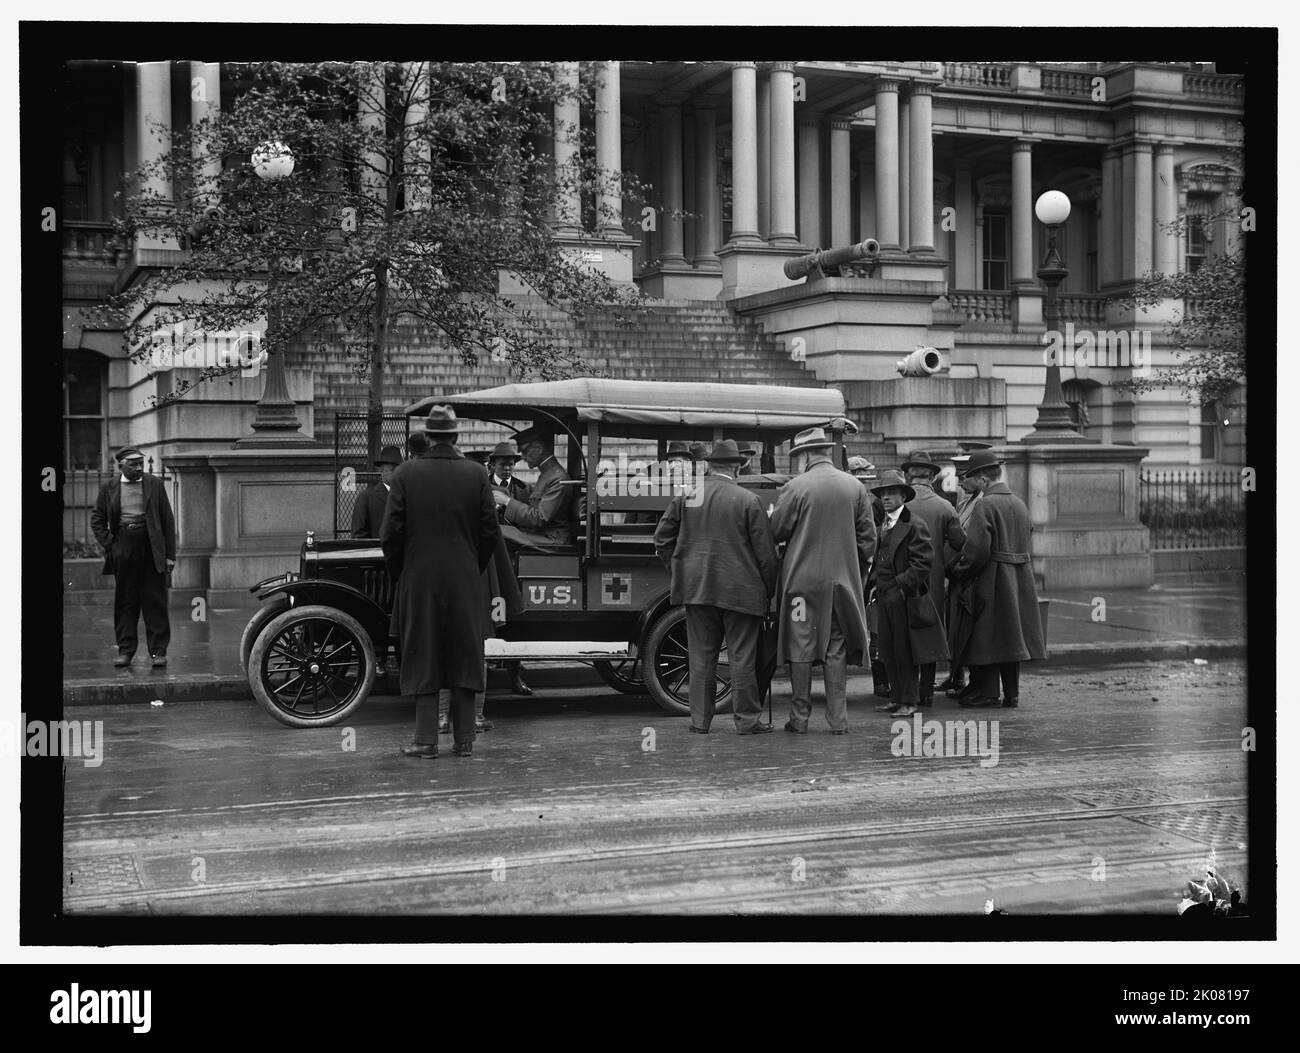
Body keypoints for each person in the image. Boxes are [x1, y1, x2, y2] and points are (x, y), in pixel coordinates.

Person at [381, 405, 500, 758]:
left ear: (429, 437)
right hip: (464, 577)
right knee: (465, 654)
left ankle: (425, 740)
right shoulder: (476, 474)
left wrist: (404, 572)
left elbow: (390, 535)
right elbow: (490, 533)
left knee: (424, 652)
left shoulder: (405, 474)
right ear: (456, 437)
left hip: (420, 577)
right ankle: (464, 740)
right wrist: (470, 565)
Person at [654, 439, 779, 735]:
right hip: (741, 592)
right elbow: (766, 556)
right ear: (738, 466)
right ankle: (747, 721)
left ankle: (700, 721)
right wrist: (769, 591)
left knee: (700, 658)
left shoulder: (688, 495)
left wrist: (679, 570)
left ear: (709, 465)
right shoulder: (749, 500)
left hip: (697, 590)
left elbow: (662, 539)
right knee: (741, 658)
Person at [770, 427, 875, 735]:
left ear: (803, 455)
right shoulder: (854, 487)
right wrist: (854, 569)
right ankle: (838, 719)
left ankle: (799, 718)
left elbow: (777, 530)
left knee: (800, 646)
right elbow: (868, 540)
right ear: (828, 452)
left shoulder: (796, 487)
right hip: (840, 583)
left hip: (801, 584)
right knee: (835, 647)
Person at [950, 450, 1047, 709]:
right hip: (1020, 577)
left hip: (993, 577)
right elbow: (1028, 533)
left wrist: (960, 571)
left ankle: (989, 694)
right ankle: (1012, 694)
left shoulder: (985, 504)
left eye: (969, 477)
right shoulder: (1019, 502)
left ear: (983, 479)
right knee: (1012, 638)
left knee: (989, 635)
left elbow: (977, 550)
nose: (965, 482)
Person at [870, 469, 949, 718]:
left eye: (892, 493)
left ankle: (910, 700)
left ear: (903, 496)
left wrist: (900, 586)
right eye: (883, 493)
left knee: (904, 650)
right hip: (884, 596)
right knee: (888, 649)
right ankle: (897, 697)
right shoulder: (884, 523)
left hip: (903, 598)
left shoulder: (914, 524)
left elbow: (924, 562)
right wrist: (875, 584)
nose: (886, 498)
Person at [91, 446, 176, 668]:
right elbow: (97, 518)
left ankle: (158, 652)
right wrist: (111, 544)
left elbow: (167, 520)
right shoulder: (109, 487)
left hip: (151, 546)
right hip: (124, 547)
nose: (139, 467)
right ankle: (125, 651)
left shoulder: (154, 484)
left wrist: (170, 556)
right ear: (121, 466)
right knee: (126, 601)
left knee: (154, 600)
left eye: (141, 463)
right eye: (133, 464)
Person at [902, 451, 966, 706]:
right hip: (934, 581)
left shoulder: (899, 506)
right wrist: (943, 563)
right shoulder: (945, 507)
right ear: (931, 476)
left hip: (902, 579)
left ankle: (907, 692)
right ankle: (926, 690)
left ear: (908, 475)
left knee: (903, 633)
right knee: (929, 632)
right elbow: (960, 542)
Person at [484, 439, 533, 696]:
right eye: (503, 464)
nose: (507, 468)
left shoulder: (522, 490)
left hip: (515, 560)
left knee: (514, 618)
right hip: (491, 560)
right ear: (492, 464)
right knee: (489, 614)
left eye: (511, 464)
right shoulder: (482, 487)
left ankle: (515, 675)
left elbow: (530, 519)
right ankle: (486, 670)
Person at [848, 456, 890, 699]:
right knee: (876, 630)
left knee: (876, 630)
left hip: (869, 574)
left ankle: (881, 682)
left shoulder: (869, 503)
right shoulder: (865, 502)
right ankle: (881, 682)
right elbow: (868, 540)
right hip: (864, 572)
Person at [496, 425, 576, 549]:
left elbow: (540, 518)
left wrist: (507, 501)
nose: (522, 457)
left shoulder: (557, 478)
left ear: (539, 448)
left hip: (552, 540)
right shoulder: (548, 475)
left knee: (494, 531)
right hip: (542, 535)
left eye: (525, 451)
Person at [350, 445, 403, 539]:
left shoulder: (407, 496)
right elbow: (358, 535)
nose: (397, 473)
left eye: (399, 469)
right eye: (392, 469)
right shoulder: (366, 498)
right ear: (382, 471)